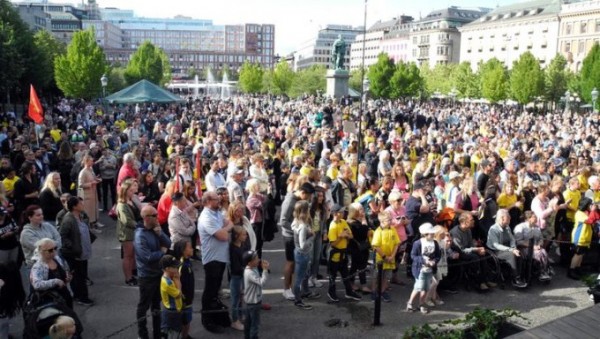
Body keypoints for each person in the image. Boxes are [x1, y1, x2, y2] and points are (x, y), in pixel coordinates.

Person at [198, 191, 233, 333]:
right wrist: (226, 229)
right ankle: (207, 320)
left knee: (215, 290)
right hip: (212, 259)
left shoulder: (216, 213)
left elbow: (229, 222)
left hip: (221, 257)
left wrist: (225, 228)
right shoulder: (206, 217)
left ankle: (215, 317)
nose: (219, 200)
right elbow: (224, 236)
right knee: (210, 291)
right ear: (207, 201)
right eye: (216, 199)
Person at [134, 205, 171, 339]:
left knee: (156, 305)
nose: (157, 217)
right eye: (154, 215)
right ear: (146, 218)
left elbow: (169, 243)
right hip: (147, 277)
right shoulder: (140, 235)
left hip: (158, 274)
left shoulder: (155, 229)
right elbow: (147, 257)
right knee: (143, 306)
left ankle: (157, 333)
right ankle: (142, 334)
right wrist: (161, 252)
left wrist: (160, 233)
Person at [278, 182, 315, 301]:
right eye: (308, 196)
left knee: (296, 264)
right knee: (290, 262)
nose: (308, 200)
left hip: (296, 235)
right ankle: (286, 290)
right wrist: (297, 230)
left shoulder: (298, 199)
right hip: (290, 236)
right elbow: (283, 221)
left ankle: (296, 289)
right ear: (303, 192)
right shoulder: (290, 201)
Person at [59, 197, 94, 306]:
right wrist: (73, 247)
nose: (83, 204)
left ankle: (81, 295)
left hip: (82, 252)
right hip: (75, 253)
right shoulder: (68, 220)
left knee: (82, 275)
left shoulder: (80, 216)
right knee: (78, 276)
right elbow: (63, 236)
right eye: (80, 203)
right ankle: (81, 297)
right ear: (74, 206)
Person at [450, 213, 496, 291]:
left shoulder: (468, 230)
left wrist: (478, 250)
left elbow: (470, 244)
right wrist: (475, 250)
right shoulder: (455, 233)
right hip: (458, 253)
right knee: (475, 257)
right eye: (471, 220)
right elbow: (461, 250)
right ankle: (478, 282)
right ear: (464, 222)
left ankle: (485, 280)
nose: (474, 221)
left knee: (482, 254)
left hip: (468, 251)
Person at [326, 204, 362, 302]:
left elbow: (350, 236)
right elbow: (333, 243)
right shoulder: (332, 225)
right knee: (332, 275)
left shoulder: (343, 222)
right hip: (334, 255)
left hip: (343, 254)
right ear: (336, 213)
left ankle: (349, 292)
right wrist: (341, 236)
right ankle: (331, 292)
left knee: (345, 275)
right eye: (341, 212)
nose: (343, 213)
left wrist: (346, 235)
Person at [486, 209, 528, 288]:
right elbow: (496, 245)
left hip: (507, 248)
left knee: (519, 253)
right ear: (502, 218)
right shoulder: (493, 229)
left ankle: (520, 275)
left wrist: (514, 248)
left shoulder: (507, 227)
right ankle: (515, 278)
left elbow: (512, 239)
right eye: (508, 217)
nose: (510, 218)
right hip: (496, 251)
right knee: (511, 255)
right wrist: (511, 250)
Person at [292, 200, 320, 310]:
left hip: (300, 253)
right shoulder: (303, 226)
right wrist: (312, 236)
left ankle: (305, 292)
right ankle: (298, 300)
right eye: (307, 209)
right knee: (299, 278)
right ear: (304, 211)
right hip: (302, 254)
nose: (309, 210)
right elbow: (303, 244)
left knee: (305, 274)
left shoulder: (297, 221)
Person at [406, 223, 440, 314]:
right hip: (419, 269)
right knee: (418, 287)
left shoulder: (435, 243)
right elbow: (413, 256)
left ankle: (421, 304)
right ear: (425, 234)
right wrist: (424, 261)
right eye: (431, 234)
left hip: (429, 269)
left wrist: (434, 262)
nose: (433, 235)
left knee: (425, 288)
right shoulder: (418, 243)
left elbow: (438, 255)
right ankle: (410, 303)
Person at [29, 238, 73, 309]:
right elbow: (37, 284)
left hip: (64, 296)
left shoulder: (57, 258)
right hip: (50, 301)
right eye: (50, 250)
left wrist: (68, 277)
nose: (54, 251)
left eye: (55, 248)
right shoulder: (37, 267)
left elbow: (65, 270)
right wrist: (55, 281)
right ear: (41, 252)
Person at [117, 178, 142, 286]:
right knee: (128, 256)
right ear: (125, 191)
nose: (133, 192)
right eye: (131, 190)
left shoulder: (131, 200)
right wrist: (140, 226)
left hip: (133, 232)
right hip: (127, 234)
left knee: (132, 255)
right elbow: (127, 221)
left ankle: (132, 274)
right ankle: (128, 278)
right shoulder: (122, 205)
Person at [513, 211, 552, 282]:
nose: (536, 218)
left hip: (536, 247)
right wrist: (532, 246)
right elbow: (518, 241)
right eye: (534, 217)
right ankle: (542, 271)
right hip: (524, 248)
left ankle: (544, 270)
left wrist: (539, 244)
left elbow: (541, 238)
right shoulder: (520, 227)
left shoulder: (537, 227)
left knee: (543, 251)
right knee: (539, 253)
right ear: (528, 219)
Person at [569, 197, 600, 279]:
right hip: (579, 237)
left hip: (586, 237)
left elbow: (596, 218)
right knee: (577, 254)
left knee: (581, 254)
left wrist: (595, 210)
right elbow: (590, 221)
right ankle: (571, 270)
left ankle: (577, 269)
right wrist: (593, 211)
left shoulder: (587, 212)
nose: (591, 206)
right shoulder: (579, 213)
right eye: (590, 204)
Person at [243, 250, 269, 339]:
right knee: (255, 323)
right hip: (254, 302)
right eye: (256, 258)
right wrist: (265, 270)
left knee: (248, 322)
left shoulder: (252, 268)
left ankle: (247, 337)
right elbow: (261, 282)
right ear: (250, 263)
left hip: (250, 301)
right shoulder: (249, 273)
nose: (258, 260)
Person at [347, 202, 371, 294]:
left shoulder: (358, 220)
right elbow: (363, 232)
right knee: (360, 266)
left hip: (361, 247)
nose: (363, 210)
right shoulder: (352, 222)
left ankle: (352, 282)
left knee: (356, 266)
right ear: (355, 211)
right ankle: (362, 285)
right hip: (356, 248)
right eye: (361, 209)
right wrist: (364, 221)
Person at [172, 240, 194, 339]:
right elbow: (177, 282)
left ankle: (185, 335)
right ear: (183, 251)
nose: (192, 249)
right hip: (184, 299)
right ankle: (183, 336)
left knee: (188, 319)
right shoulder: (181, 266)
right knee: (184, 320)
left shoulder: (187, 262)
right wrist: (182, 298)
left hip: (189, 297)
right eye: (189, 247)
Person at [159, 254, 183, 339]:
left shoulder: (169, 278)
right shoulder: (168, 283)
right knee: (174, 333)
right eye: (174, 267)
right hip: (172, 311)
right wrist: (177, 279)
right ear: (167, 269)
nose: (176, 269)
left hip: (172, 310)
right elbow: (178, 294)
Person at [229, 226, 248, 331]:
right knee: (236, 299)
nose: (246, 236)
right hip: (237, 277)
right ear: (237, 236)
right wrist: (246, 269)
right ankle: (235, 320)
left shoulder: (242, 245)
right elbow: (235, 267)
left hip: (242, 275)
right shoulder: (233, 248)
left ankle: (240, 316)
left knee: (241, 297)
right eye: (244, 234)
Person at [78, 155, 102, 230]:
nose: (93, 162)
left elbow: (93, 178)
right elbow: (80, 185)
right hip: (87, 194)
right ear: (86, 162)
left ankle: (95, 222)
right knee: (89, 210)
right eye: (91, 161)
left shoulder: (91, 169)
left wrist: (97, 179)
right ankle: (90, 225)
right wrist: (91, 184)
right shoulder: (83, 172)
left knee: (94, 207)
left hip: (93, 192)